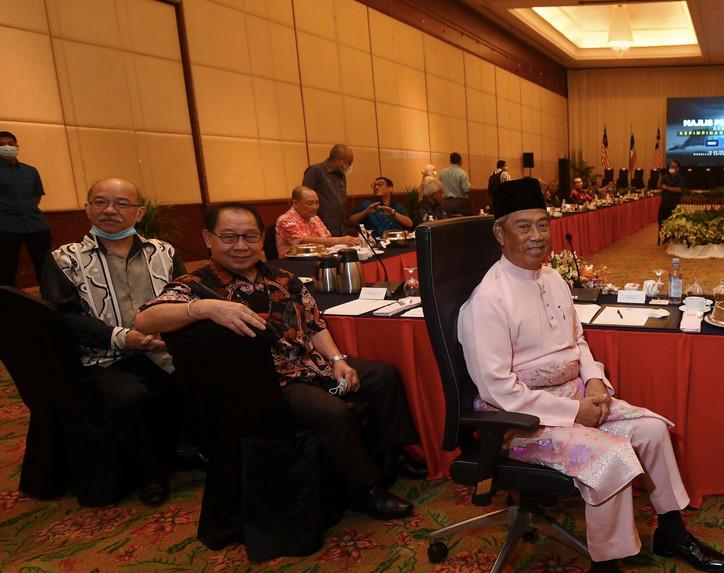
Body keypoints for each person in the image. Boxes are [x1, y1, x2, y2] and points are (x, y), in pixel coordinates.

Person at [458, 178, 724, 573]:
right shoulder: (487, 300)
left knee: (652, 430)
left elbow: (578, 342)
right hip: (520, 421)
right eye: (523, 227)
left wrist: (595, 382)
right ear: (499, 233)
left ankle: (671, 531)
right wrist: (574, 413)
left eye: (542, 225)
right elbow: (497, 390)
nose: (536, 236)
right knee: (611, 457)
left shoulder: (552, 278)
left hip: (577, 398)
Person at [134, 203, 426, 520]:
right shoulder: (195, 285)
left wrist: (338, 361)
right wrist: (203, 308)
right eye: (229, 237)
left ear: (262, 239)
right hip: (269, 382)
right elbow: (145, 320)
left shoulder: (285, 278)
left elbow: (315, 325)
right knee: (333, 411)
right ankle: (365, 490)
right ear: (208, 238)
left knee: (383, 376)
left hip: (312, 365)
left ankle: (396, 454)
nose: (241, 246)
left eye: (250, 236)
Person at [40, 177, 186, 506]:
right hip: (101, 357)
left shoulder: (164, 252)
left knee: (200, 375)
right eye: (101, 202)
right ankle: (151, 474)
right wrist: (125, 338)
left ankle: (188, 449)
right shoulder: (64, 259)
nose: (110, 210)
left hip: (162, 350)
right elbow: (65, 318)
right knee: (131, 397)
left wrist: (168, 334)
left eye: (122, 203)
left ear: (139, 212)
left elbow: (185, 298)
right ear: (87, 208)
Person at [0, 131, 51, 287]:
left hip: (36, 225)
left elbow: (37, 196)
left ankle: (49, 299)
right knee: (6, 270)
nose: (7, 147)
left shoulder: (31, 171)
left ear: (17, 146)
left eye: (10, 144)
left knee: (47, 267)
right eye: (1, 145)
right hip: (5, 227)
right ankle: (10, 301)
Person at [275, 186, 360, 249]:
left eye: (317, 203)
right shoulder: (285, 220)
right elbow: (303, 241)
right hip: (293, 264)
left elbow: (327, 239)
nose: (315, 207)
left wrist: (353, 240)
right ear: (295, 203)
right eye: (310, 203)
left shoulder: (315, 218)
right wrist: (339, 240)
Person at [301, 144, 352, 238]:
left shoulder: (341, 175)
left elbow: (341, 201)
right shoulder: (316, 171)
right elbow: (304, 198)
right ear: (339, 160)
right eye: (349, 162)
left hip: (340, 228)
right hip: (321, 228)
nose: (350, 166)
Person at [657, 160, 684, 235]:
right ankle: (662, 235)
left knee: (672, 223)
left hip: (673, 204)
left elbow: (680, 189)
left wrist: (668, 188)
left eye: (673, 166)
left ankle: (671, 237)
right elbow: (659, 186)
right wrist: (661, 176)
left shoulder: (680, 177)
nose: (671, 168)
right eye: (670, 166)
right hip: (664, 203)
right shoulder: (666, 176)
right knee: (661, 221)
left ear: (678, 168)